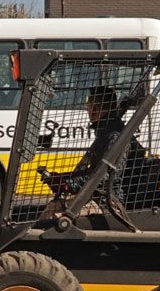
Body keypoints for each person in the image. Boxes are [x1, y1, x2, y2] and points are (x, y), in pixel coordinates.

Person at [44, 86, 127, 217]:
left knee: (57, 216)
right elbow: (95, 171)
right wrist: (64, 178)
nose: (86, 109)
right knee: (53, 207)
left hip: (109, 202)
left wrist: (70, 184)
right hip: (98, 196)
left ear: (95, 109)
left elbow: (107, 175)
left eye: (88, 105)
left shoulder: (114, 136)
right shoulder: (106, 130)